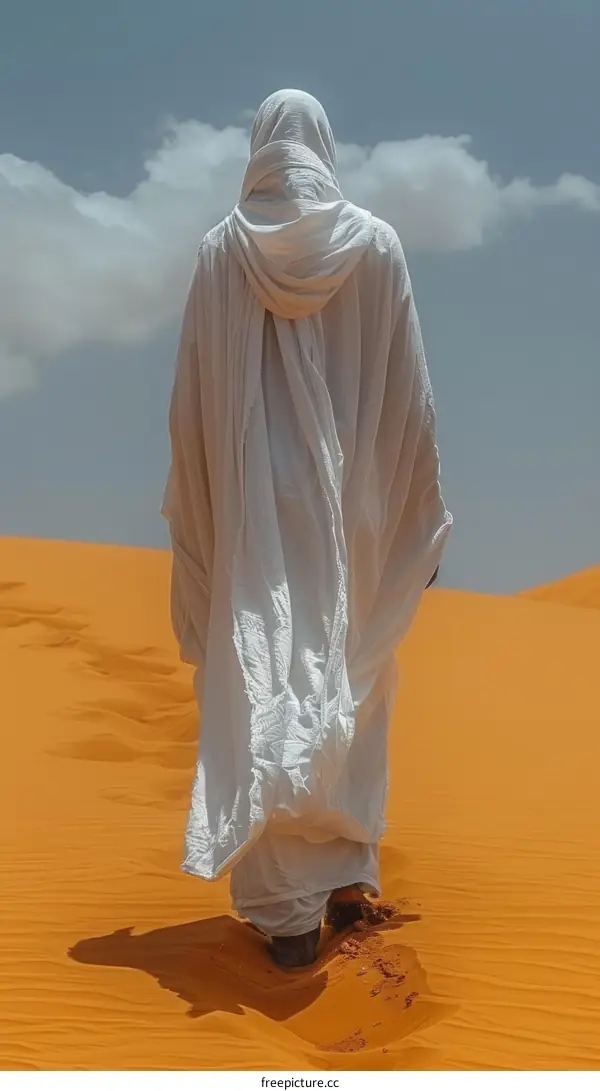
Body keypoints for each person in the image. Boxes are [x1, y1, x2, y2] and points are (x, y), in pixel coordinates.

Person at [162, 89, 452, 968]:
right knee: (354, 675)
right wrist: (416, 513)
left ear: (259, 145)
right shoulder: (377, 244)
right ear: (324, 146)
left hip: (253, 508)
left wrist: (203, 509)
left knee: (263, 676)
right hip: (356, 506)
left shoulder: (221, 250)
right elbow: (409, 394)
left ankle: (288, 910)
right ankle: (346, 875)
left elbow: (193, 401)